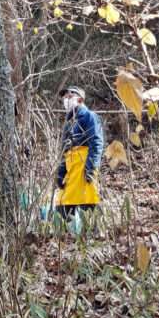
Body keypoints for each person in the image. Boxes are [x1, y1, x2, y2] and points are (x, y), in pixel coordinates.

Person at [55, 86, 104, 220]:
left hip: (84, 166)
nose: (66, 100)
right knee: (61, 207)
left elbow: (96, 142)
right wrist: (60, 172)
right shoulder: (68, 123)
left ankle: (90, 237)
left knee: (87, 205)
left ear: (80, 99)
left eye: (70, 96)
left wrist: (91, 168)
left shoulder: (90, 116)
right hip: (71, 169)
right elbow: (64, 150)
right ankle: (64, 239)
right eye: (64, 98)